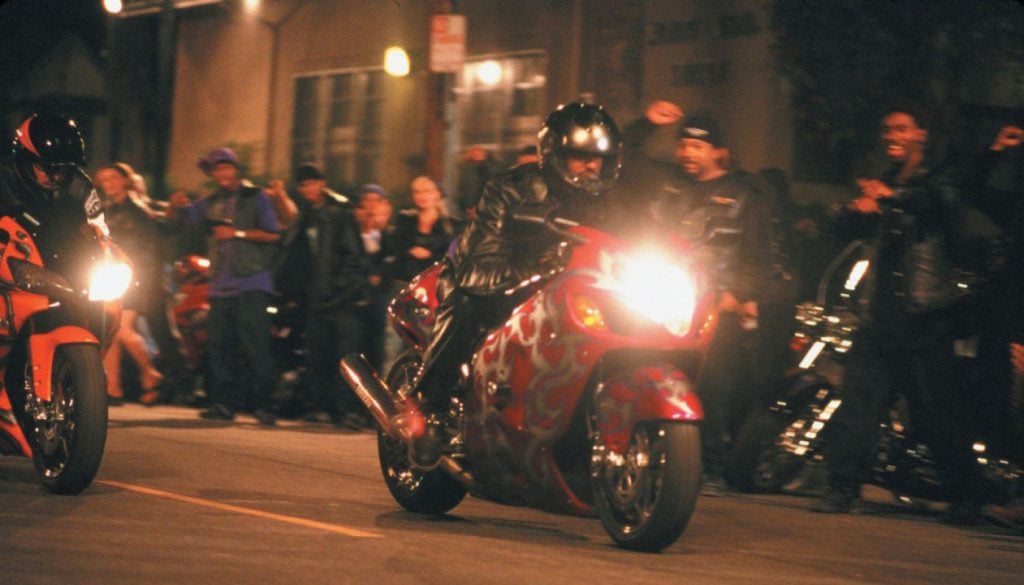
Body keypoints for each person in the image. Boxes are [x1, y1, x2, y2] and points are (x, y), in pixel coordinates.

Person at [814, 104, 1006, 524]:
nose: (892, 135)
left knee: (938, 414)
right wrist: (853, 211)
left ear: (920, 133)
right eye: (888, 128)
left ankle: (967, 498)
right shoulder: (882, 182)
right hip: (879, 317)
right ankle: (841, 489)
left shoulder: (936, 180)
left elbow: (937, 199)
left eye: (901, 128)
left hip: (925, 318)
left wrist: (891, 198)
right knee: (858, 408)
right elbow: (843, 232)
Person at [405, 101, 624, 469]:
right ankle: (430, 407)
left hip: (574, 289)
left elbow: (645, 233)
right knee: (466, 303)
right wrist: (536, 268)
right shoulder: (509, 190)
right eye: (580, 157)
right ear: (554, 154)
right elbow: (479, 267)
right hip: (491, 279)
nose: (591, 166)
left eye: (598, 158)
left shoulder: (614, 199)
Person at [623, 101, 794, 497]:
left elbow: (760, 252)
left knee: (712, 387)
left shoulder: (746, 192)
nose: (687, 153)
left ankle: (709, 468)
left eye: (697, 147)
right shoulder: (668, 183)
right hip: (662, 297)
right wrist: (646, 124)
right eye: (683, 144)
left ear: (719, 152)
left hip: (717, 307)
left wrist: (738, 294)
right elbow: (625, 164)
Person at [170, 147, 296, 426]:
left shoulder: (256, 197)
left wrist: (236, 233)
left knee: (257, 347)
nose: (221, 173)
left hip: (252, 283)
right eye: (216, 169)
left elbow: (274, 234)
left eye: (225, 167)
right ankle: (223, 405)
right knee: (219, 347)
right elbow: (181, 219)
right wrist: (175, 205)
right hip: (220, 286)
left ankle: (265, 407)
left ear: (236, 170)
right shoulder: (210, 202)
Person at [281, 163, 373, 428]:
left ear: (322, 183)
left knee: (347, 357)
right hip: (317, 298)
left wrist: (339, 287)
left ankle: (348, 411)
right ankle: (322, 407)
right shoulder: (307, 214)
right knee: (318, 355)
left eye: (311, 183)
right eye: (302, 185)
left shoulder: (339, 211)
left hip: (341, 298)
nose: (307, 189)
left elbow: (354, 256)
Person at [94, 163, 167, 405]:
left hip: (134, 276)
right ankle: (113, 388)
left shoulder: (139, 210)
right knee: (110, 330)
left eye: (114, 178)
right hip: (111, 274)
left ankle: (150, 372)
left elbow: (150, 249)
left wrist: (142, 278)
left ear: (126, 180)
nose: (109, 183)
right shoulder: (106, 210)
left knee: (122, 329)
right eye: (104, 179)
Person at [0, 112, 108, 238]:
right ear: (26, 161)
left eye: (64, 169)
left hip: (64, 249)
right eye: (48, 168)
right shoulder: (5, 181)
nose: (57, 176)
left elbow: (100, 226)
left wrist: (100, 235)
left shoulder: (80, 187)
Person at [355, 184, 395, 374]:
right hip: (355, 295)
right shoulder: (352, 233)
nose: (372, 206)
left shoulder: (390, 235)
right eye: (367, 200)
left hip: (380, 296)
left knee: (378, 344)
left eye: (377, 200)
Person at [390, 176, 460, 285]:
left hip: (436, 281)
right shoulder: (404, 219)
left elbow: (453, 257)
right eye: (417, 192)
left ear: (437, 194)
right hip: (406, 279)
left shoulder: (451, 225)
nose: (422, 196)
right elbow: (395, 247)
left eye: (427, 191)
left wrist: (430, 255)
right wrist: (410, 251)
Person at [455, 146, 500, 221]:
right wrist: (470, 205)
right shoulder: (468, 168)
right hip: (474, 206)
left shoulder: (485, 167)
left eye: (479, 152)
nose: (477, 154)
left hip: (479, 205)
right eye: (474, 152)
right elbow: (468, 187)